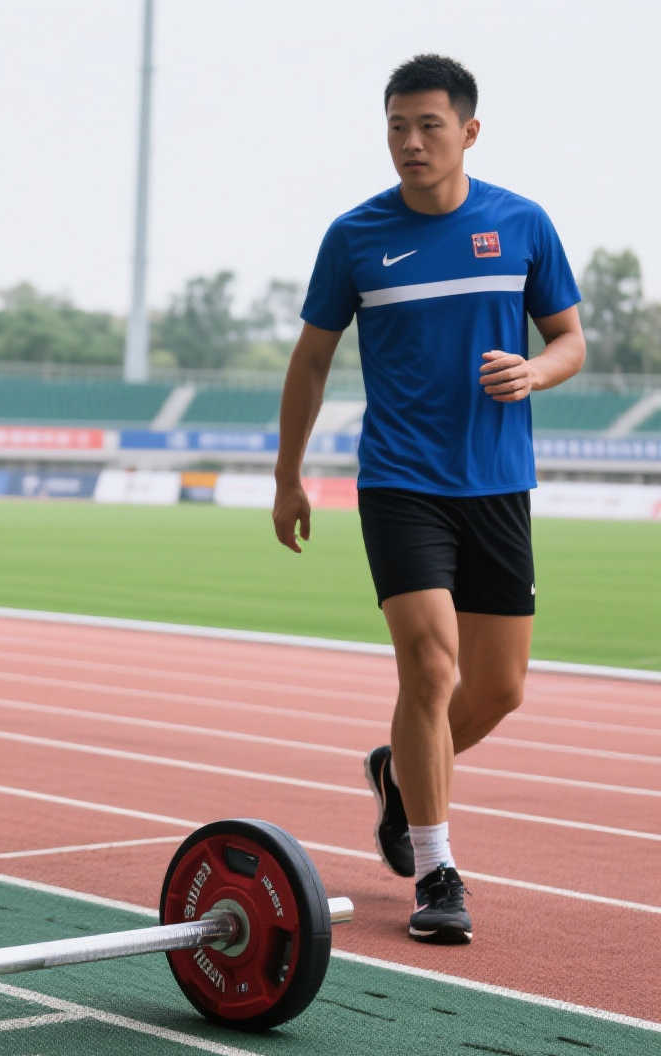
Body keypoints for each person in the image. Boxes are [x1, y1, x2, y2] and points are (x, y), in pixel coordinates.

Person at [273, 55, 583, 945]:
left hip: (498, 486)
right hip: (401, 483)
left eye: (429, 127)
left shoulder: (522, 224)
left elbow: (569, 340)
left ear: (468, 132)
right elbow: (312, 359)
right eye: (397, 128)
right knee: (430, 664)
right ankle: (438, 869)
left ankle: (399, 776)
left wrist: (537, 369)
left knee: (499, 689)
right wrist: (288, 472)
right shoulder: (355, 237)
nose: (411, 143)